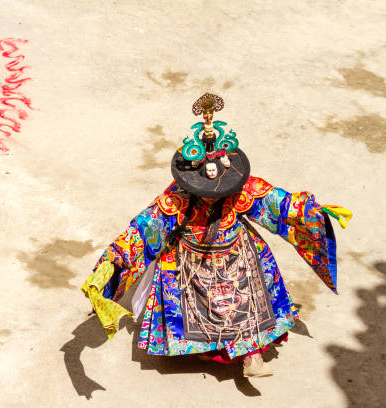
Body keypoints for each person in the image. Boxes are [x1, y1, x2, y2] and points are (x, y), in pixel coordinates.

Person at [81, 93, 352, 377]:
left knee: (249, 288)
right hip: (189, 258)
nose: (212, 198)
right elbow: (143, 231)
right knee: (191, 294)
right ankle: (206, 347)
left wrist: (311, 211)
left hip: (237, 252)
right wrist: (111, 262)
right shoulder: (175, 199)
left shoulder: (243, 189)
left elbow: (278, 203)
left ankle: (250, 355)